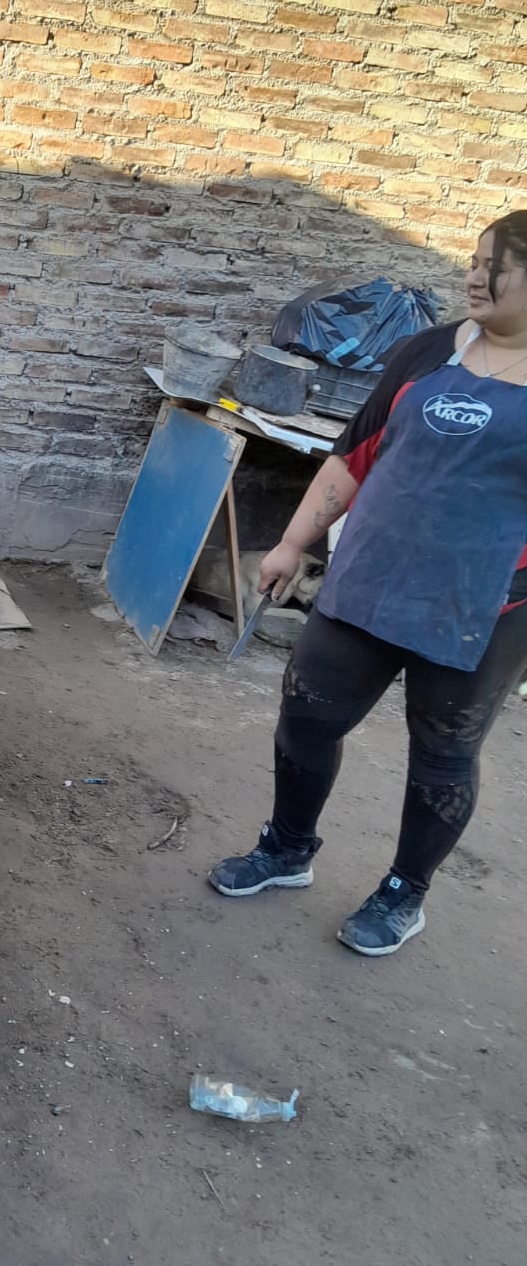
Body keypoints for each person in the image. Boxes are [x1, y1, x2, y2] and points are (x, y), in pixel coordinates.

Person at [209, 209, 527, 956]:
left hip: (483, 603)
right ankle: (287, 848)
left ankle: (403, 892)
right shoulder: (427, 351)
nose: (476, 274)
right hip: (372, 577)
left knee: (443, 754)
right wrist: (293, 541)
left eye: (499, 264)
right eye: (475, 259)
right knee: (309, 713)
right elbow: (353, 455)